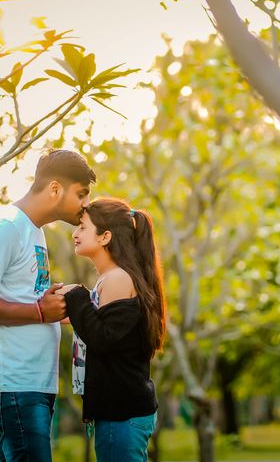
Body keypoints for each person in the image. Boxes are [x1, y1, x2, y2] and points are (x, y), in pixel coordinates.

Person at [0, 149, 95, 462]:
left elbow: (21, 297)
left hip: (32, 382)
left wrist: (52, 306)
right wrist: (37, 312)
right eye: (82, 193)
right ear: (55, 188)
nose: (86, 204)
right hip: (14, 384)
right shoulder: (6, 227)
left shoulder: (34, 231)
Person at [57, 198, 166, 462]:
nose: (75, 233)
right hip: (120, 411)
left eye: (82, 227)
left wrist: (77, 296)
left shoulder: (118, 278)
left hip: (122, 414)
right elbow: (112, 332)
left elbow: (103, 339)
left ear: (105, 236)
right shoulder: (113, 278)